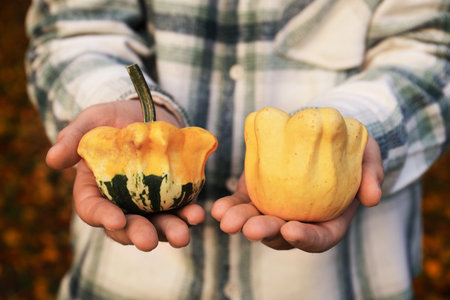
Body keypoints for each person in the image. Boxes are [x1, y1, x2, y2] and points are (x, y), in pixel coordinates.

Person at [25, 0, 449, 299]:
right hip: (123, 285)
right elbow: (72, 28)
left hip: (341, 284)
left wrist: (345, 129)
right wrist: (119, 98)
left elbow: (432, 44)